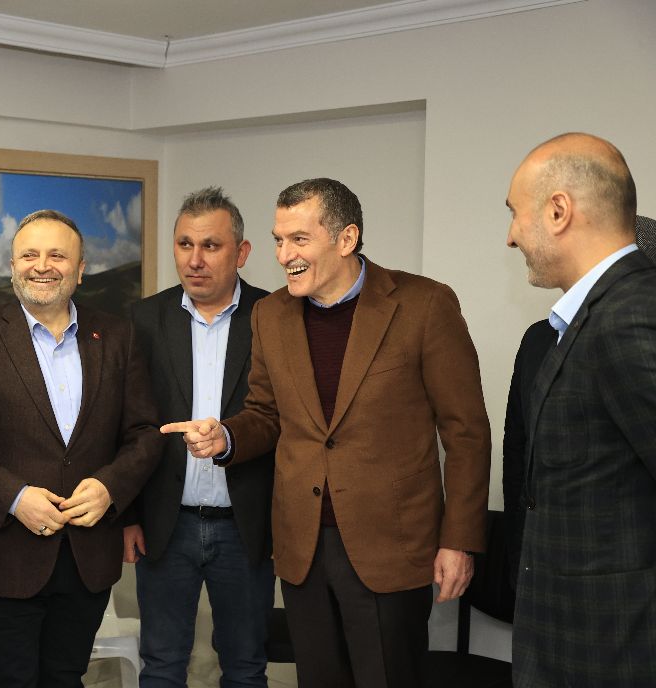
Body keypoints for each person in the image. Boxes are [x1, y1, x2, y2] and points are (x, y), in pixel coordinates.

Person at [163, 178, 491, 688]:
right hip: (303, 547)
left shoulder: (424, 305)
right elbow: (266, 415)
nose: (284, 255)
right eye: (278, 240)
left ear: (346, 239)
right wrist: (226, 437)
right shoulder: (270, 315)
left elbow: (466, 433)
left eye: (299, 239)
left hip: (391, 545)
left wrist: (459, 541)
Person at [0, 209, 163, 688]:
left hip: (86, 560)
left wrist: (110, 488)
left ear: (80, 268)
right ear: (12, 265)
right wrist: (15, 498)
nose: (42, 266)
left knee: (66, 679)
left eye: (58, 255)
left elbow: (144, 432)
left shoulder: (117, 336)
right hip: (3, 560)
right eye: (29, 255)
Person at [504, 133, 656, 686]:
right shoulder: (589, 317)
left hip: (612, 650)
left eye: (515, 213)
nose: (510, 235)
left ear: (558, 210)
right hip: (570, 641)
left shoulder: (630, 314)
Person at [127, 187, 275, 687]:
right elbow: (128, 425)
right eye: (184, 244)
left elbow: (289, 423)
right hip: (166, 526)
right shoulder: (144, 319)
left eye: (211, 246)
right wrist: (128, 517)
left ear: (242, 252)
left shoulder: (275, 317)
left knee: (246, 667)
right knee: (162, 665)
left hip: (246, 526)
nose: (194, 260)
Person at [502, 213, 656, 588]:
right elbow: (518, 448)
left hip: (621, 575)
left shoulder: (640, 340)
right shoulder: (538, 340)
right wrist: (517, 544)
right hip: (539, 561)